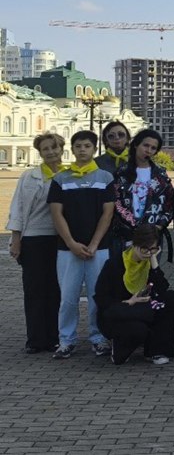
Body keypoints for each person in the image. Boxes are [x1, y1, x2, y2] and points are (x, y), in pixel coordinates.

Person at [47, 130, 116, 359]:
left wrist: (94, 244)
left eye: (87, 146)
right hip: (68, 250)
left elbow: (107, 214)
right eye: (78, 146)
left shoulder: (105, 178)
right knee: (68, 298)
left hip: (99, 249)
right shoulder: (61, 179)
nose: (82, 150)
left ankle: (99, 338)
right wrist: (71, 243)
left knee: (98, 296)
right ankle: (66, 340)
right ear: (72, 149)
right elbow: (57, 214)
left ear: (94, 149)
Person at [7, 132, 66, 354]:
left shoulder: (69, 176)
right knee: (34, 290)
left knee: (56, 290)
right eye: (45, 149)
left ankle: (54, 337)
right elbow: (18, 207)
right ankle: (35, 339)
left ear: (61, 149)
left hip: (60, 239)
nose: (50, 152)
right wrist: (16, 240)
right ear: (40, 153)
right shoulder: (29, 176)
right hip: (33, 238)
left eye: (54, 147)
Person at [94, 224, 174, 364]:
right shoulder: (115, 264)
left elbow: (162, 289)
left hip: (143, 309)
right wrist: (129, 302)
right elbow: (101, 298)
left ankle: (155, 351)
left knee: (171, 299)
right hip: (119, 311)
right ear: (135, 244)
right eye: (144, 248)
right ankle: (120, 348)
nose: (148, 253)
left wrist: (154, 263)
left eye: (153, 249)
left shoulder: (148, 263)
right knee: (139, 327)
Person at [109, 129, 173, 253]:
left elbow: (170, 203)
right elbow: (116, 201)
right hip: (125, 235)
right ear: (136, 145)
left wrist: (159, 225)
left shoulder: (160, 175)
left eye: (153, 148)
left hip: (152, 235)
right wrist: (133, 225)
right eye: (145, 145)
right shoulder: (121, 173)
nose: (148, 150)